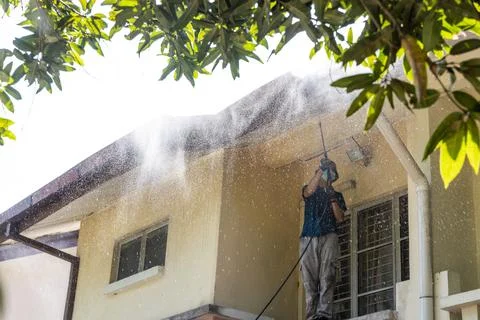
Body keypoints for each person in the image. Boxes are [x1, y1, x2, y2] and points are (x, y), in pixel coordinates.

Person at [300, 158, 347, 320]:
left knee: (327, 274)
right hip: (308, 237)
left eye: (330, 174)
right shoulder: (310, 191)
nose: (327, 177)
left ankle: (324, 314)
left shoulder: (337, 195)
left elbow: (340, 218)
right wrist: (321, 169)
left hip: (329, 236)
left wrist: (332, 197)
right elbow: (307, 191)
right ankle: (311, 315)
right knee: (309, 278)